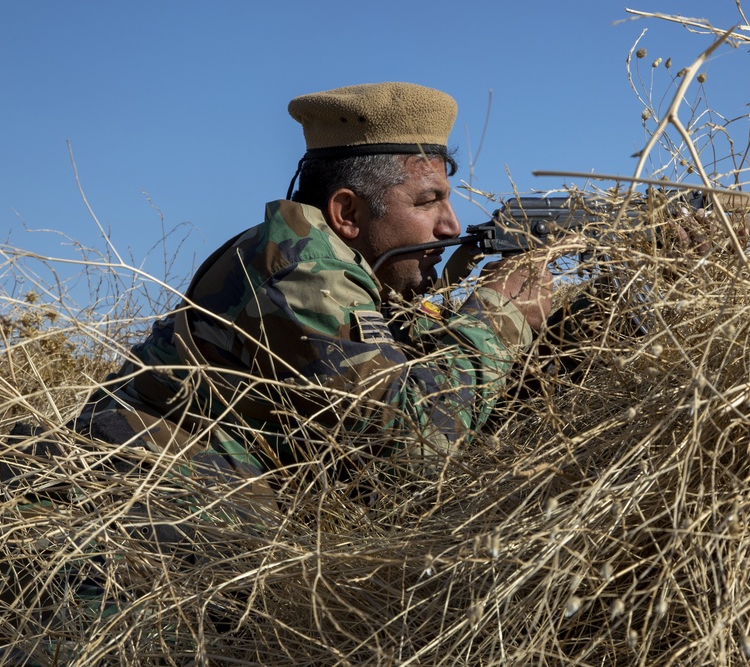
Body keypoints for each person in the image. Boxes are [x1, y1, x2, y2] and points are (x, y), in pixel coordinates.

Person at [71, 81, 554, 499]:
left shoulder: (362, 280)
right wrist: (499, 314)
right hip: (117, 529)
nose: (451, 226)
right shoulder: (301, 273)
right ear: (347, 214)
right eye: (428, 201)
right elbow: (411, 452)